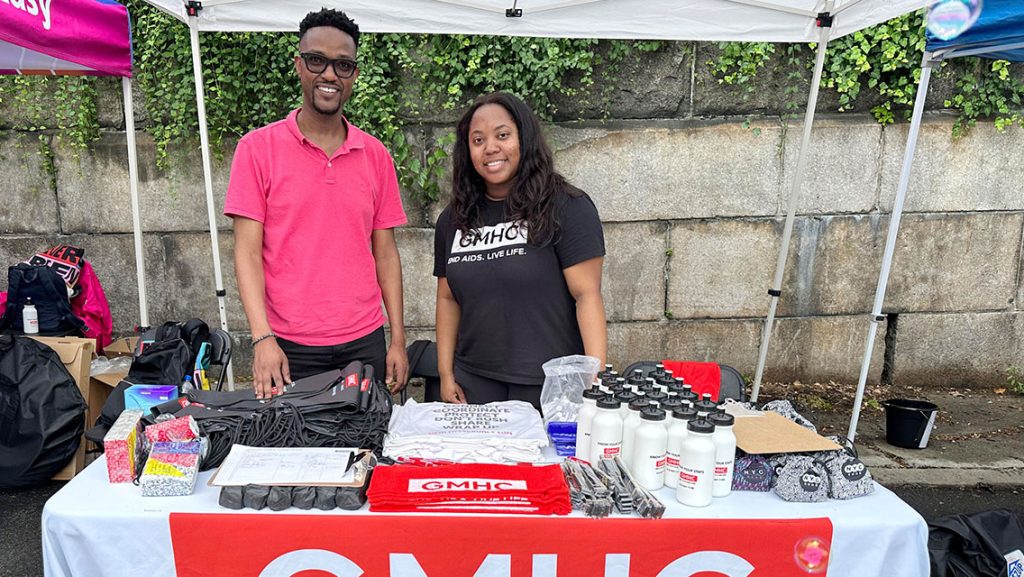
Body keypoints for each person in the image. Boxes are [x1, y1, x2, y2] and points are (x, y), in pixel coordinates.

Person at [225, 9, 408, 399]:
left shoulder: (375, 154)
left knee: (366, 453)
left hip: (365, 343)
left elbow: (387, 255)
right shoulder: (257, 150)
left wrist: (397, 338)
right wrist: (261, 340)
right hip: (288, 347)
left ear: (354, 75)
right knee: (292, 455)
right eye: (316, 61)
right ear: (299, 65)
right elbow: (247, 253)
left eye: (342, 65)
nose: (329, 75)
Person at [433, 92, 607, 410]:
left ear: (523, 138)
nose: (491, 148)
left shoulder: (567, 206)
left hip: (548, 385)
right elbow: (446, 298)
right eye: (478, 140)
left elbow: (588, 296)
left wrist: (593, 380)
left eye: (502, 135)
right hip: (474, 382)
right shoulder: (454, 218)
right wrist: (446, 373)